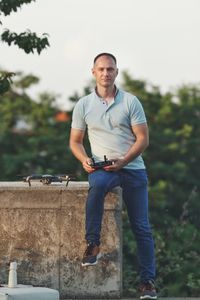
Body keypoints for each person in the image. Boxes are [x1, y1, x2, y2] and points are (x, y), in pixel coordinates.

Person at [69, 52, 157, 299]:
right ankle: (93, 243)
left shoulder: (131, 102)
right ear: (93, 72)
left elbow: (143, 139)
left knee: (141, 227)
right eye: (101, 69)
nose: (106, 73)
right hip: (103, 169)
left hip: (133, 168)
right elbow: (75, 142)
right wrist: (84, 159)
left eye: (110, 69)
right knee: (95, 188)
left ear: (116, 72)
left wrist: (124, 161)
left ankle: (147, 282)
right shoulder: (84, 104)